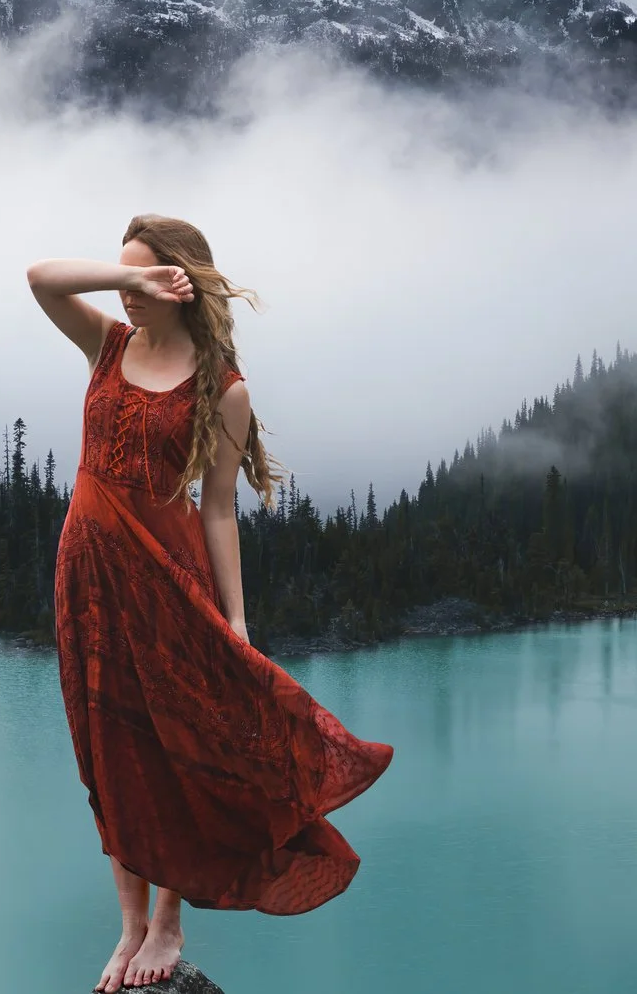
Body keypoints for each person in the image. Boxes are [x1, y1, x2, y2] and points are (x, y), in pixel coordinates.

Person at [28, 215, 393, 991]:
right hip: (88, 578)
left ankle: (166, 922)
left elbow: (220, 506)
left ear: (182, 279)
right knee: (108, 753)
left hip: (169, 579)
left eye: (147, 278)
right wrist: (124, 277)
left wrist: (236, 619)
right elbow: (40, 277)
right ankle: (127, 928)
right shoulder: (108, 343)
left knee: (176, 749)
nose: (131, 294)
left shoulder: (222, 386)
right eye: (125, 279)